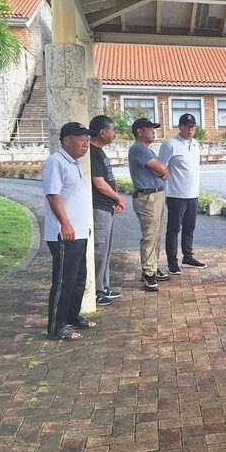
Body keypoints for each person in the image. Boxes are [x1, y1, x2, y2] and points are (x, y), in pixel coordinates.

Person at [42, 121, 97, 341]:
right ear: (66, 141)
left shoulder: (72, 163)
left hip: (79, 233)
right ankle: (56, 326)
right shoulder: (56, 162)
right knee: (64, 280)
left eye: (87, 139)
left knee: (78, 278)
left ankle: (72, 316)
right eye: (82, 139)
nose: (86, 143)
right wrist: (65, 223)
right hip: (64, 234)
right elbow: (53, 195)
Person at [159, 113, 206, 274]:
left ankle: (188, 256)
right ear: (179, 127)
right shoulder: (170, 144)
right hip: (176, 195)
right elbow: (160, 166)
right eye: (186, 125)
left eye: (193, 126)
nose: (190, 128)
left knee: (189, 228)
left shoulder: (196, 144)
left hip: (193, 193)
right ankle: (172, 262)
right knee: (173, 229)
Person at [128, 117, 170, 291]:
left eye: (154, 129)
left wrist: (161, 170)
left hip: (157, 195)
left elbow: (163, 171)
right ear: (140, 131)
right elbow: (162, 169)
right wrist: (160, 170)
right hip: (147, 197)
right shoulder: (138, 149)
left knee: (157, 235)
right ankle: (148, 272)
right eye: (150, 129)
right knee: (150, 235)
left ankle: (152, 266)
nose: (154, 131)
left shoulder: (148, 150)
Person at [89, 115, 126, 306]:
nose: (114, 134)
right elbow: (100, 184)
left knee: (106, 249)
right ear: (102, 132)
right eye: (112, 130)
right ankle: (96, 290)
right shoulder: (92, 153)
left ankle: (104, 286)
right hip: (99, 208)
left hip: (107, 207)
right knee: (99, 249)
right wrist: (118, 198)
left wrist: (115, 198)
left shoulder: (100, 152)